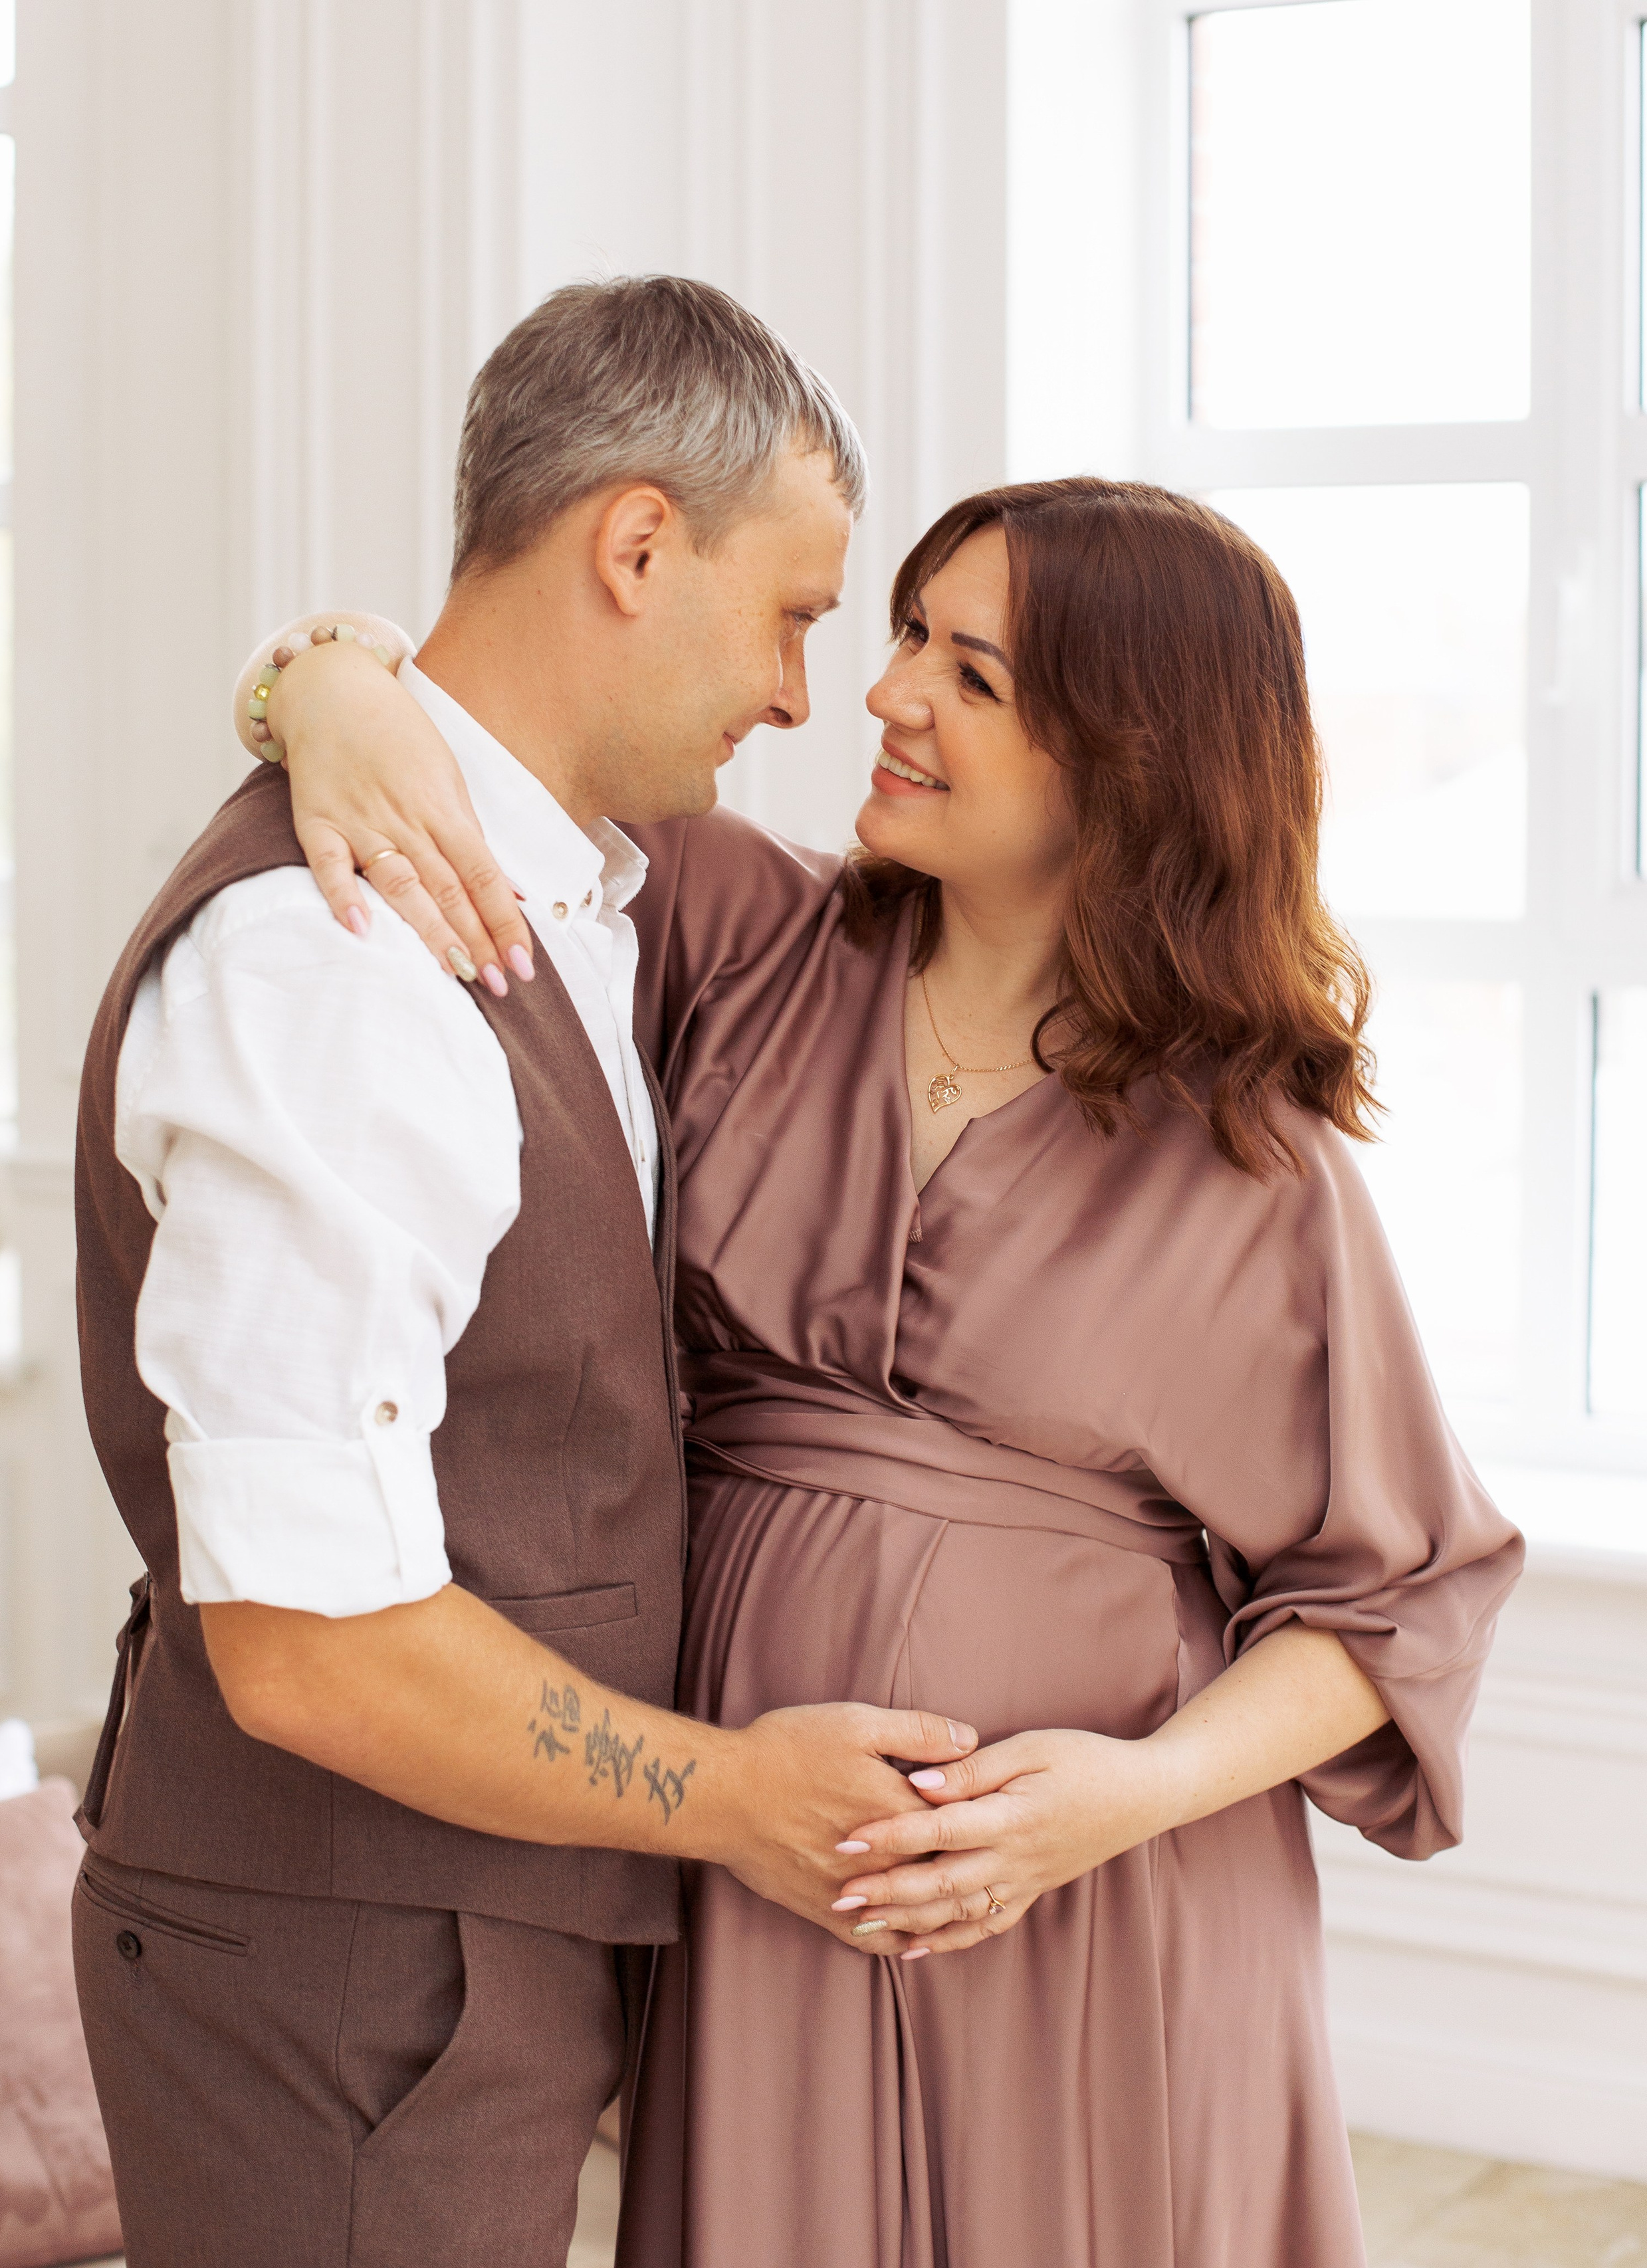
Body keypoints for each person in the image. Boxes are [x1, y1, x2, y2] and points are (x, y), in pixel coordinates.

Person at [250, 465, 1524, 2268]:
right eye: (908, 631)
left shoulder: (1253, 1160)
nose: (885, 691)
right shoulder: (725, 933)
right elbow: (477, 735)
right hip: (769, 1872)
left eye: (973, 674)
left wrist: (1122, 1797)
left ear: (1132, 757)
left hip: (1105, 1911)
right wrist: (321, 689)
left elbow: (1403, 1603)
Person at [70, 276, 982, 2268]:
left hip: (459, 1950)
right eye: (800, 611)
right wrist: (743, 1799)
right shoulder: (342, 964)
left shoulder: (591, 896)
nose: (807, 694)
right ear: (638, 546)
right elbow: (308, 1640)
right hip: (345, 1984)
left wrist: (316, 665)